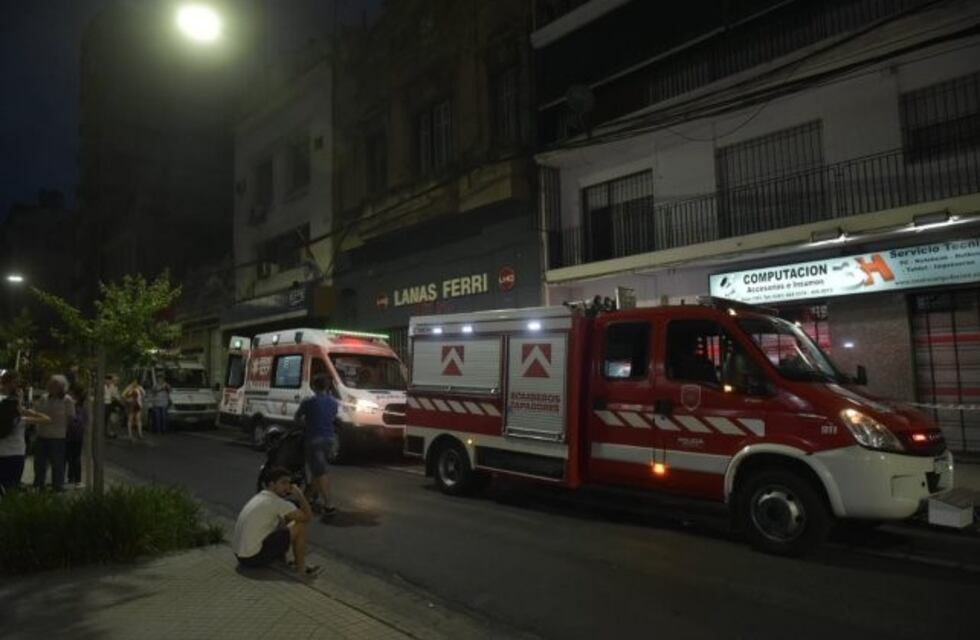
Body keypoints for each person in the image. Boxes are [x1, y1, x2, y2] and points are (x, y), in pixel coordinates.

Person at [232, 467, 319, 578]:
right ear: (272, 484)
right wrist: (300, 495)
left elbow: (282, 526)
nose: (287, 487)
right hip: (252, 558)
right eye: (283, 483)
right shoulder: (276, 502)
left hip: (240, 555)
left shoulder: (260, 497)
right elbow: (307, 517)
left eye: (289, 483)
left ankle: (282, 561)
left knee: (283, 523)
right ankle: (301, 570)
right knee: (300, 526)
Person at [294, 374, 338, 518]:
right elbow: (332, 417)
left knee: (320, 472)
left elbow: (297, 417)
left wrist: (305, 424)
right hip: (330, 439)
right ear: (327, 386)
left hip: (314, 440)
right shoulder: (333, 402)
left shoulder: (308, 402)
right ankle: (306, 499)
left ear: (313, 386)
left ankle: (329, 505)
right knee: (317, 470)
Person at [0, 371, 48, 493]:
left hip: (2, 452)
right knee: (12, 487)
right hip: (16, 454)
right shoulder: (21, 419)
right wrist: (22, 409)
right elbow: (46, 419)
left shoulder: (7, 410)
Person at [33, 374, 75, 491]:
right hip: (42, 434)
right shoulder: (44, 398)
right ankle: (38, 484)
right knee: (40, 463)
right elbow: (36, 412)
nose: (51, 387)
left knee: (57, 463)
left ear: (61, 387)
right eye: (50, 384)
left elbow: (71, 417)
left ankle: (57, 485)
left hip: (58, 435)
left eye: (55, 385)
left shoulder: (67, 400)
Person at [65, 386, 87, 487]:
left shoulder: (75, 407)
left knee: (72, 457)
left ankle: (75, 478)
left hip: (72, 435)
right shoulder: (80, 407)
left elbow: (75, 422)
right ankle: (73, 478)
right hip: (76, 435)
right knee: (73, 457)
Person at [104, 375, 122, 439]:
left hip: (110, 404)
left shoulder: (113, 387)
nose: (116, 382)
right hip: (105, 404)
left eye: (110, 380)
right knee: (106, 419)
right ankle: (107, 433)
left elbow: (115, 396)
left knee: (111, 419)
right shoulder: (104, 387)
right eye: (115, 380)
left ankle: (110, 433)